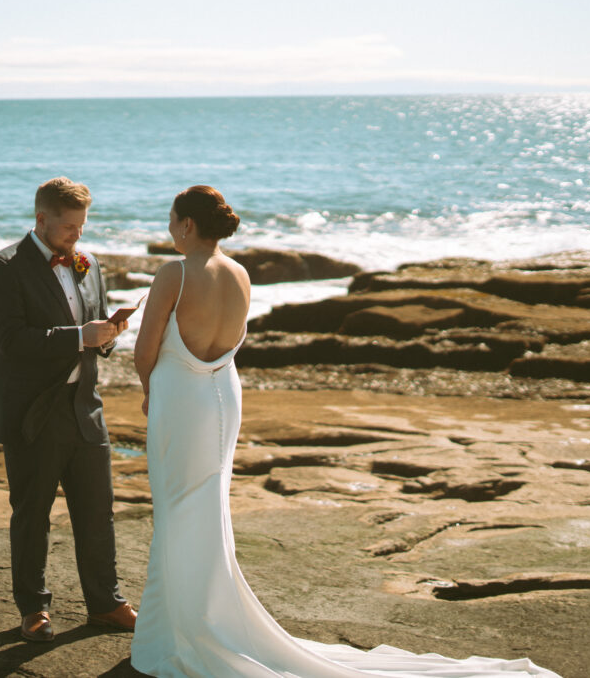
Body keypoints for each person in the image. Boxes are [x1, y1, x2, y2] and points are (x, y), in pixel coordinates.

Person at [129, 185, 561, 677]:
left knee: (176, 506)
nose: (168, 227)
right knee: (207, 504)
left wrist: (149, 389)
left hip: (182, 399)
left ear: (187, 224)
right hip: (223, 395)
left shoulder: (174, 272)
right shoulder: (240, 274)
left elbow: (145, 351)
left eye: (170, 218)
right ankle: (202, 619)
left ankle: (180, 634)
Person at [0, 177, 137, 642]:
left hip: (85, 408)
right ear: (41, 219)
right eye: (69, 227)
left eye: (82, 226)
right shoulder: (2, 268)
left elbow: (92, 335)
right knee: (32, 515)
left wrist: (107, 337)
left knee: (98, 511)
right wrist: (78, 337)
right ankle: (34, 610)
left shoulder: (89, 265)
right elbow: (10, 342)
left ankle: (105, 604)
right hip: (33, 414)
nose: (78, 236)